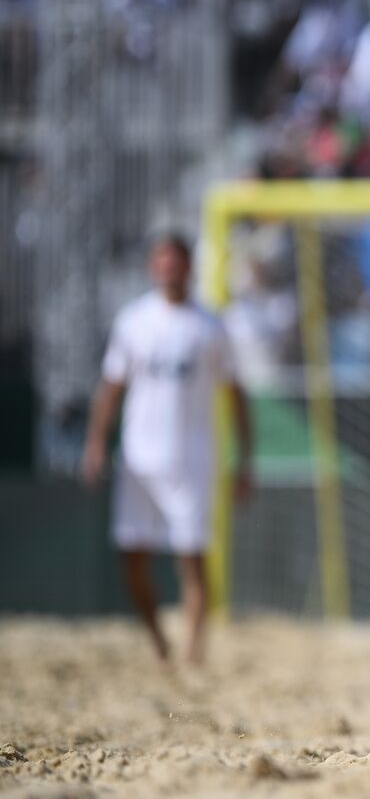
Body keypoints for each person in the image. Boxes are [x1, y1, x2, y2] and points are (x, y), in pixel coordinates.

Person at [81, 233, 253, 665]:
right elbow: (111, 388)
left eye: (176, 262)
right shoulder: (133, 321)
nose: (169, 270)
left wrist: (245, 458)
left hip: (193, 459)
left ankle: (194, 654)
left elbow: (236, 395)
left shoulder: (210, 326)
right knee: (132, 559)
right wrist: (96, 443)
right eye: (161, 262)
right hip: (139, 457)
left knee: (192, 557)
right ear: (152, 268)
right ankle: (160, 641)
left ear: (189, 267)